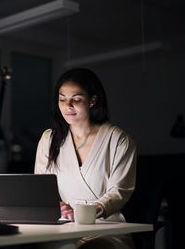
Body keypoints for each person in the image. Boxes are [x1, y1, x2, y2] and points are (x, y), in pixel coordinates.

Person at [34, 68, 137, 249]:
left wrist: (84, 213)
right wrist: (55, 207)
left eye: (77, 99)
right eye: (62, 99)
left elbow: (118, 192)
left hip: (106, 227)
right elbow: (40, 190)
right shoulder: (49, 139)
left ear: (92, 101)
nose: (68, 106)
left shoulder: (118, 140)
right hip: (65, 226)